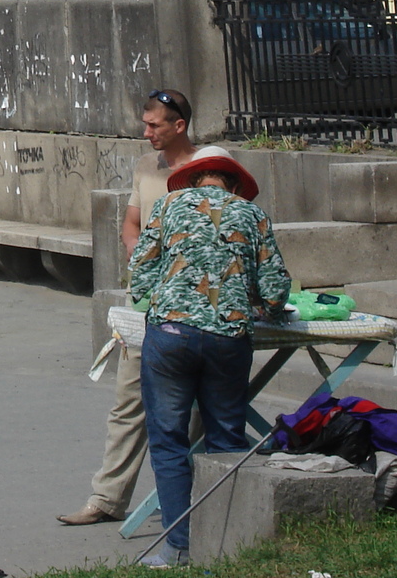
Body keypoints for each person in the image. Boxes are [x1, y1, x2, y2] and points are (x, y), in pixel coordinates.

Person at [58, 90, 234, 526]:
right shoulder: (144, 167)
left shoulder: (211, 167)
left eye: (155, 125)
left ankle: (187, 502)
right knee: (128, 401)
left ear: (180, 126)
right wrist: (143, 256)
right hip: (148, 301)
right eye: (145, 123)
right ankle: (107, 498)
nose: (147, 132)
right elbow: (131, 224)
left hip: (199, 309)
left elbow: (233, 226)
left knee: (192, 411)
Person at [129, 154, 291, 568]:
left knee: (168, 440)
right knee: (226, 438)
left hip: (169, 336)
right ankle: (224, 544)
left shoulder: (167, 206)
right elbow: (275, 290)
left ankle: (178, 546)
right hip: (228, 339)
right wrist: (265, 308)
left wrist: (159, 297)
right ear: (234, 187)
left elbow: (141, 275)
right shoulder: (253, 214)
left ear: (194, 182)